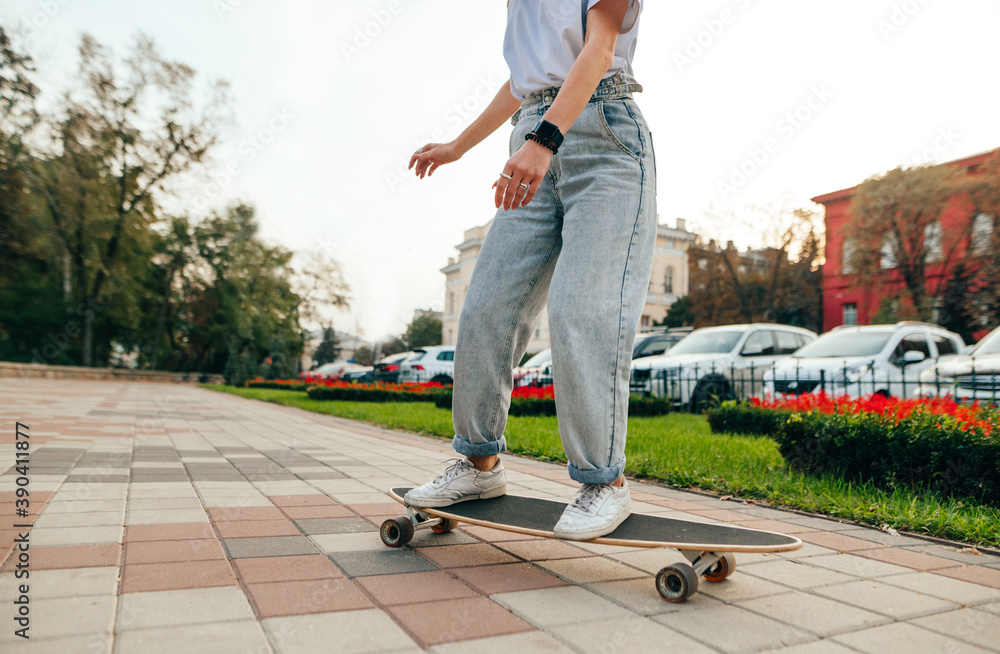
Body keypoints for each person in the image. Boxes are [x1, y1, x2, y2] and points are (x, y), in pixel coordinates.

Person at [405, 0, 656, 541]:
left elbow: (600, 47)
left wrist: (546, 139)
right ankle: (479, 467)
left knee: (580, 314)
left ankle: (603, 483)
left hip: (605, 141)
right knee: (486, 310)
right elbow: (523, 83)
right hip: (534, 137)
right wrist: (457, 146)